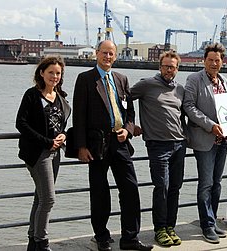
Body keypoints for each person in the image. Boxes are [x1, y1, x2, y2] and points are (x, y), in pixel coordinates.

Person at [72, 40, 153, 251]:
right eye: (104, 53)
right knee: (99, 193)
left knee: (130, 189)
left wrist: (127, 129)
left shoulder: (122, 79)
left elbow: (130, 112)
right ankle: (102, 237)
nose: (108, 57)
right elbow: (79, 116)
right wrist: (81, 146)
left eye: (111, 54)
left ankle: (130, 238)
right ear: (96, 54)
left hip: (120, 142)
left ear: (115, 56)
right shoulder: (85, 79)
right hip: (96, 144)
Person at [129, 51, 187, 247]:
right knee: (161, 187)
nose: (169, 70)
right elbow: (124, 99)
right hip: (157, 145)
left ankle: (171, 226)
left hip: (179, 144)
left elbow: (187, 114)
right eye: (166, 66)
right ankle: (160, 229)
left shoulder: (180, 89)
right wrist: (131, 125)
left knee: (175, 188)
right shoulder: (146, 85)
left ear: (177, 69)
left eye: (173, 67)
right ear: (159, 66)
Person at [16, 56, 71, 251]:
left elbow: (62, 126)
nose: (54, 76)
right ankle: (42, 242)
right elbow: (21, 123)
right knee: (49, 198)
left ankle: (33, 241)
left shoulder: (61, 98)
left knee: (40, 198)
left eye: (58, 73)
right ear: (41, 73)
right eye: (51, 72)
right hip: (38, 153)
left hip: (55, 155)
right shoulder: (32, 95)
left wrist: (63, 136)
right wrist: (47, 141)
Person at [183, 42, 227, 244]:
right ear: (204, 61)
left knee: (217, 184)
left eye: (217, 60)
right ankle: (206, 225)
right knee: (206, 184)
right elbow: (189, 107)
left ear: (222, 62)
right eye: (210, 60)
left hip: (223, 140)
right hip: (205, 138)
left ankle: (213, 219)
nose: (213, 63)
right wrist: (210, 125)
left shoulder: (224, 81)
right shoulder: (194, 79)